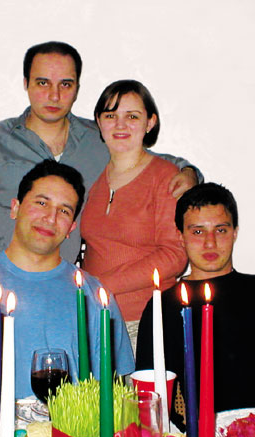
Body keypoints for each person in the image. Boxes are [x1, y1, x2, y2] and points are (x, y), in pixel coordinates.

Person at [0, 41, 200, 270]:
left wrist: (188, 172)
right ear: (25, 84)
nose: (55, 95)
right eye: (43, 83)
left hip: (67, 288)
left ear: (77, 87)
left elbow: (146, 161)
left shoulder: (99, 139)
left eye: (66, 84)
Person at [0, 160, 135, 399]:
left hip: (68, 433)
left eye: (64, 210)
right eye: (41, 203)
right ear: (15, 208)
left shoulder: (96, 296)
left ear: (71, 227)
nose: (50, 218)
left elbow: (114, 394)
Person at [135, 182, 255, 429]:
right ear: (180, 235)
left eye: (220, 230)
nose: (210, 243)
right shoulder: (164, 306)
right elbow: (152, 400)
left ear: (235, 232)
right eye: (197, 232)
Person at [81, 80, 188, 352]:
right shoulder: (93, 178)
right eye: (110, 116)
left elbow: (175, 256)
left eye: (132, 116)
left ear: (150, 122)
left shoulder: (165, 178)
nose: (120, 125)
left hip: (146, 320)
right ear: (99, 122)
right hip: (98, 316)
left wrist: (106, 284)